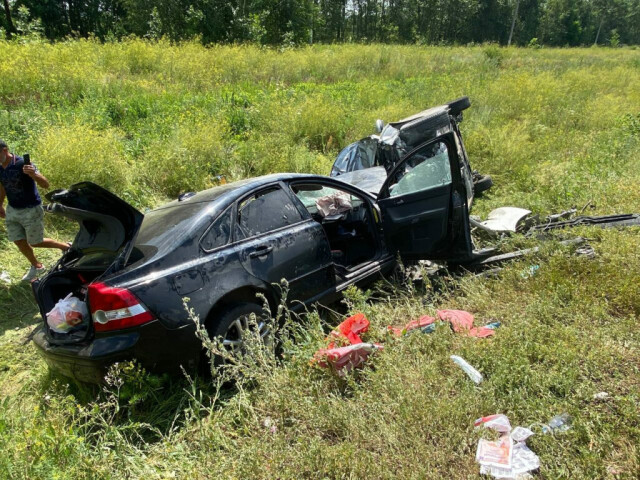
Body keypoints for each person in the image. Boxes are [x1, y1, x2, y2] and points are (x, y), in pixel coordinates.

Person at [0, 139, 69, 282]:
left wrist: (34, 174)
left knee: (35, 242)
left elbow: (45, 184)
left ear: (5, 151)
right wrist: (0, 204)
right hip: (13, 209)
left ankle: (65, 246)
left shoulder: (22, 164)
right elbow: (3, 186)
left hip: (31, 209)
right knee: (18, 240)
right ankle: (37, 266)